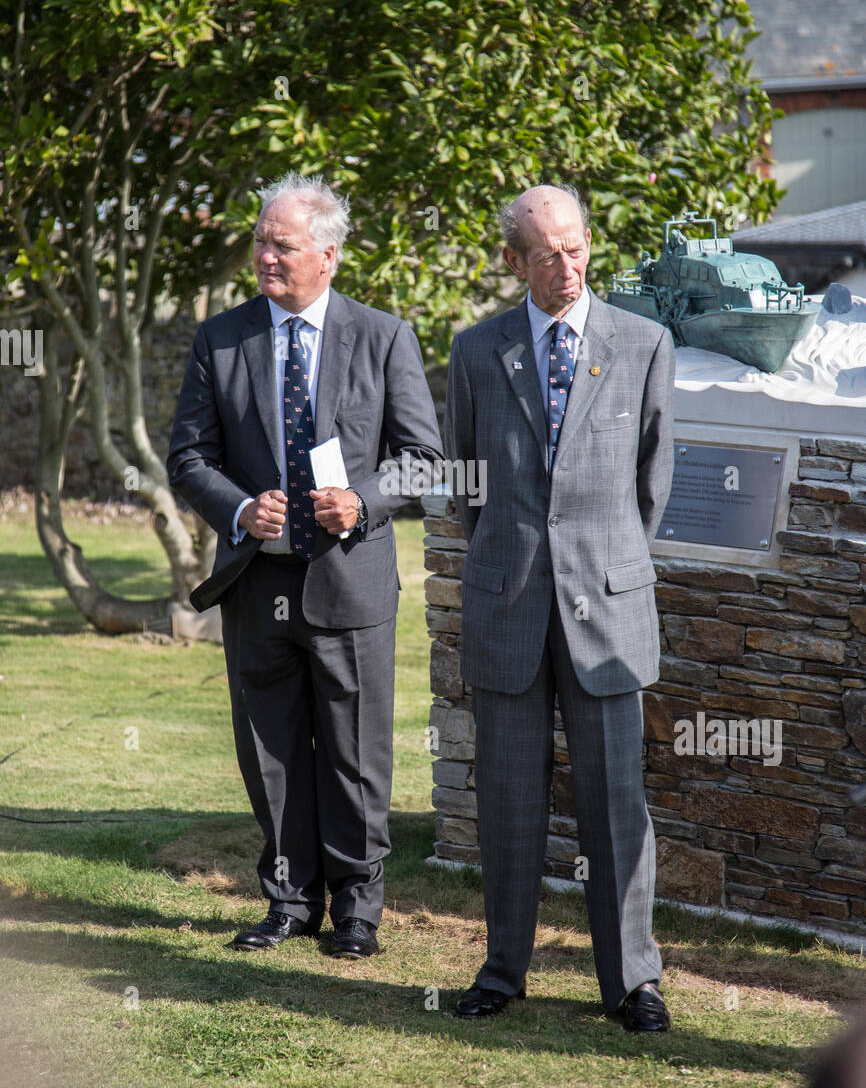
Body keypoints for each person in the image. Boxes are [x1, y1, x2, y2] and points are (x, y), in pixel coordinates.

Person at [168, 173, 443, 958]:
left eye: (280, 245)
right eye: (259, 240)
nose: (263, 256)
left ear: (326, 256)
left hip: (350, 581)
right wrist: (237, 509)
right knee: (272, 751)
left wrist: (362, 499)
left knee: (355, 752)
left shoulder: (384, 337)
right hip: (257, 581)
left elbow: (421, 460)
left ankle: (357, 910)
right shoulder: (220, 339)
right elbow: (189, 457)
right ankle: (289, 901)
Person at [444, 183, 675, 1030]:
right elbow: (469, 490)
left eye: (577, 248)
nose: (567, 267)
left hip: (607, 612)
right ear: (514, 261)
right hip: (508, 606)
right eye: (547, 254)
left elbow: (651, 488)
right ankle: (503, 972)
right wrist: (517, 561)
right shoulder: (476, 353)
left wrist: (599, 565)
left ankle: (631, 983)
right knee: (507, 801)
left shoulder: (645, 343)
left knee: (617, 806)